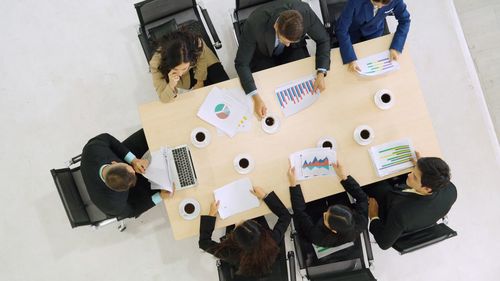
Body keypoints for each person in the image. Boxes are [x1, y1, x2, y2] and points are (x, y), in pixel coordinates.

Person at [234, 0, 331, 119]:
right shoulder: (254, 23)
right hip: (262, 54)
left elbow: (324, 40)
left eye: (291, 41)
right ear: (276, 26)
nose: (287, 44)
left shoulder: (305, 12)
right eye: (284, 40)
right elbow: (241, 63)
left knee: (302, 81)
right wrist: (255, 97)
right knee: (267, 92)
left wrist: (321, 72)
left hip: (294, 50)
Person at [366, 152, 457, 250]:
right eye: (414, 171)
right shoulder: (451, 190)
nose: (409, 175)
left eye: (415, 176)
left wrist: (374, 216)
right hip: (421, 212)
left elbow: (384, 244)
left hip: (393, 213)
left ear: (427, 189)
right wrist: (423, 166)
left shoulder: (401, 212)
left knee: (375, 185)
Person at [199, 186, 291, 278]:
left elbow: (204, 243)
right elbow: (286, 216)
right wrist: (265, 197)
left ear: (234, 239)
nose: (241, 219)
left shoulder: (232, 254)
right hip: (254, 229)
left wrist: (211, 215)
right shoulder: (272, 239)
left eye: (238, 225)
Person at [81, 130, 170, 218]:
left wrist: (133, 160)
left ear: (114, 162)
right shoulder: (113, 205)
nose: (135, 171)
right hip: (134, 192)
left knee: (153, 133)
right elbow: (131, 211)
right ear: (122, 190)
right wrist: (160, 196)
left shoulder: (94, 149)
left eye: (131, 170)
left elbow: (108, 139)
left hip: (122, 155)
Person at [289, 160, 368, 247]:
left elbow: (300, 212)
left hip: (314, 212)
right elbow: (362, 199)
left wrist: (293, 185)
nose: (324, 213)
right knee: (333, 186)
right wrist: (344, 177)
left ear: (333, 230)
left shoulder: (318, 237)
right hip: (335, 200)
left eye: (326, 216)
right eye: (328, 211)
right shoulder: (361, 222)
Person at [149, 30, 229, 103]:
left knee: (225, 88)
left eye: (183, 68)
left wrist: (200, 82)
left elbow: (202, 58)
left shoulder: (196, 43)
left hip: (205, 62)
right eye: (175, 69)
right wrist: (171, 85)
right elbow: (164, 99)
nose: (180, 73)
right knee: (201, 101)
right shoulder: (155, 64)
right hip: (186, 77)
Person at [336, 0, 411, 72]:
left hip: (375, 30)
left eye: (384, 4)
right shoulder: (354, 2)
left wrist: (396, 47)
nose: (380, 7)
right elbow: (342, 29)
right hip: (351, 30)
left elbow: (405, 21)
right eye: (376, 2)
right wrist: (350, 58)